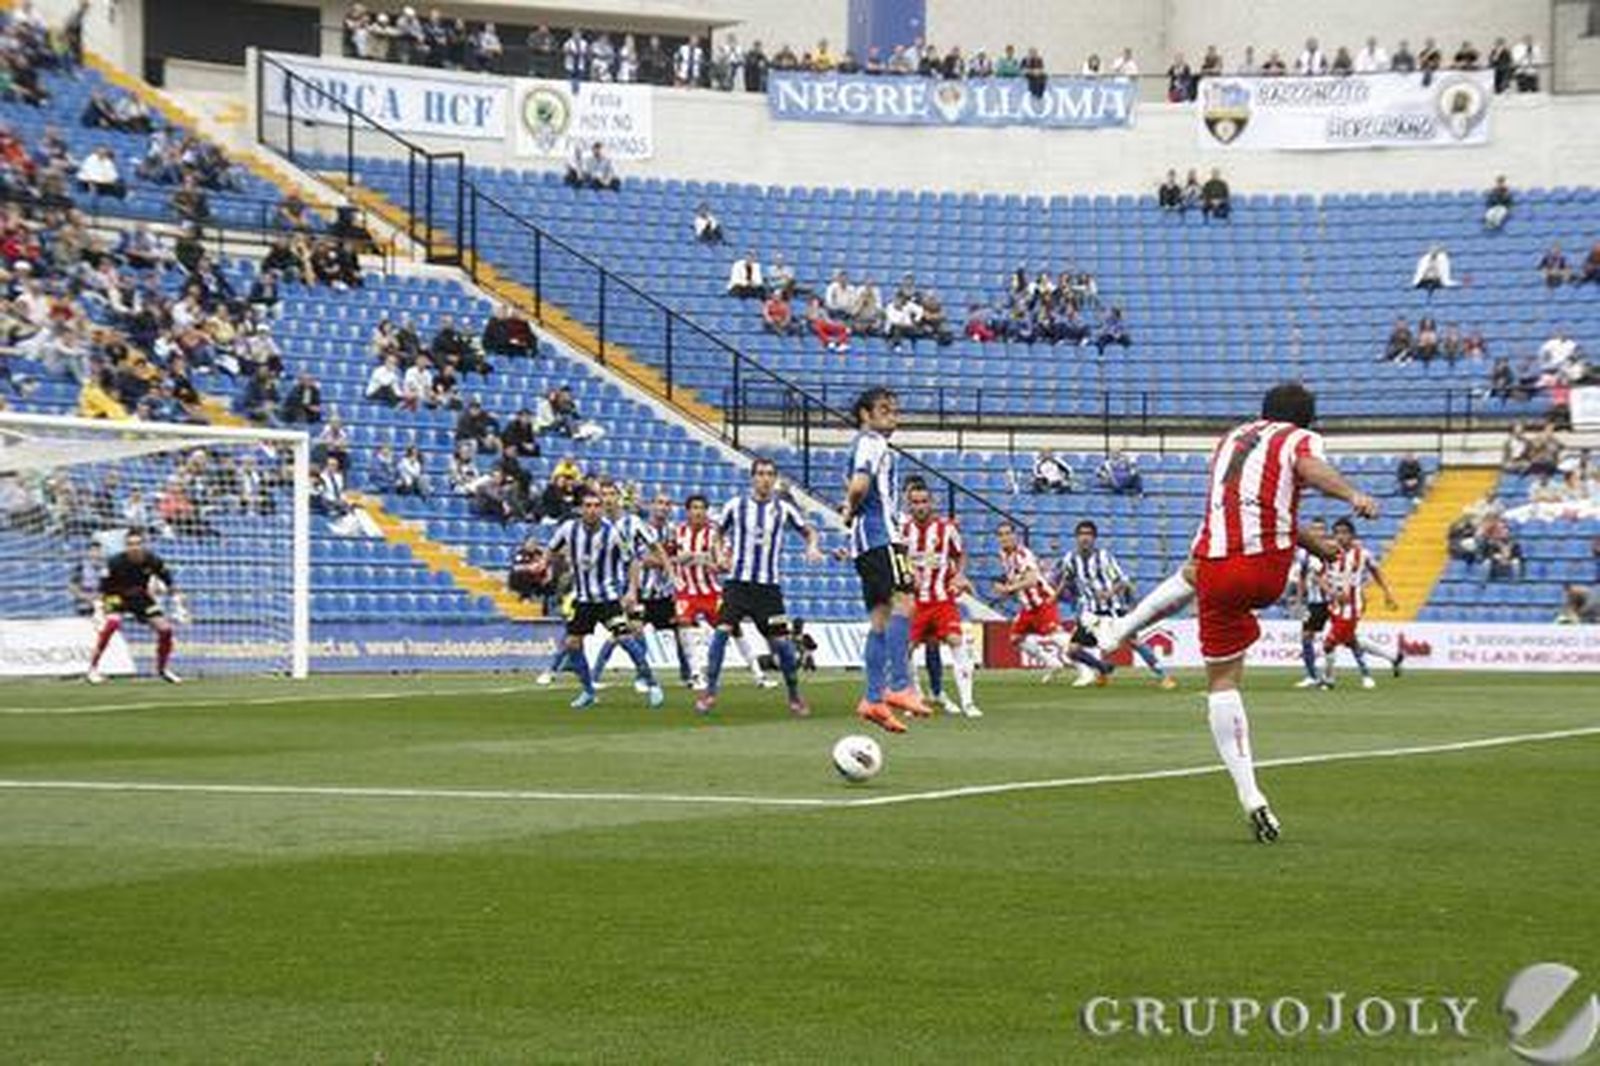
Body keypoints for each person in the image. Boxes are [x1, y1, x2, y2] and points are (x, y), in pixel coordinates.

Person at [1099, 383, 1379, 843]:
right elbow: (1308, 467)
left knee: (1221, 677)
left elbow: (1260, 505)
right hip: (1264, 569)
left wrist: (1316, 547)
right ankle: (1121, 630)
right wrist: (1352, 495)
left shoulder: (1230, 440)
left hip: (1217, 565)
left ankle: (1250, 794)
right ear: (1306, 419)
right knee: (1214, 590)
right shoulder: (1297, 438)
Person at [694, 459, 823, 717]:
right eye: (760, 474)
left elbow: (808, 531)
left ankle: (794, 695)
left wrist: (812, 547)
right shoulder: (735, 505)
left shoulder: (783, 509)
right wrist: (719, 554)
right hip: (737, 585)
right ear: (752, 477)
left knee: (782, 646)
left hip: (768, 589)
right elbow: (717, 534)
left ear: (774, 479)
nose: (765, 479)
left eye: (770, 475)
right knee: (721, 632)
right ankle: (709, 692)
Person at [841, 388, 928, 734]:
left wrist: (850, 511)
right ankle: (899, 686)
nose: (894, 416)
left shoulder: (865, 442)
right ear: (865, 414)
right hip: (881, 537)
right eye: (884, 410)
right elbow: (860, 485)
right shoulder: (872, 441)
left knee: (879, 619)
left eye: (895, 410)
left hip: (865, 542)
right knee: (904, 602)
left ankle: (873, 698)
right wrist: (850, 507)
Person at [545, 490, 663, 710]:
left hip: (607, 599)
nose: (591, 510)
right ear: (580, 509)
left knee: (625, 638)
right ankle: (588, 691)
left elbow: (633, 562)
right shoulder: (569, 529)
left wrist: (631, 591)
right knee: (572, 643)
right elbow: (551, 550)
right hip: (583, 600)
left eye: (595, 506)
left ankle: (652, 682)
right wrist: (547, 568)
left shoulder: (613, 533)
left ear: (601, 509)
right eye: (587, 506)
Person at [1058, 520, 1173, 689]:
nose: (1085, 538)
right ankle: (1103, 668)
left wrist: (1108, 593)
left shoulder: (1104, 557)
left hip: (1113, 609)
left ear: (1094, 538)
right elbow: (1067, 578)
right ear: (1076, 537)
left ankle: (1164, 675)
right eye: (1081, 534)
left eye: (1088, 534)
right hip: (1091, 613)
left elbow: (1122, 581)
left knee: (1134, 641)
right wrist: (1056, 594)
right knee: (1073, 650)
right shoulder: (1070, 559)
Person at [589, 485, 684, 690]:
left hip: (646, 590)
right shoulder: (603, 525)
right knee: (624, 633)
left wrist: (671, 572)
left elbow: (654, 551)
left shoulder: (638, 524)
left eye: (612, 494)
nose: (608, 499)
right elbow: (640, 559)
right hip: (621, 588)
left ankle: (672, 675)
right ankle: (633, 676)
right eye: (604, 495)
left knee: (629, 632)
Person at [995, 521, 1110, 687]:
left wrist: (1008, 588)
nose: (1004, 537)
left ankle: (1086, 669)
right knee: (1016, 638)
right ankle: (1052, 663)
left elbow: (1032, 579)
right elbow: (1017, 577)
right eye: (1001, 534)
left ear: (1015, 536)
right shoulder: (1004, 555)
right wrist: (1006, 585)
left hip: (1042, 601)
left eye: (1007, 533)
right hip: (1028, 606)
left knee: (1058, 637)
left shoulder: (1022, 554)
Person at [900, 482, 980, 717]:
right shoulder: (902, 531)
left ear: (931, 503)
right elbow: (896, 558)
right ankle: (915, 697)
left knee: (957, 641)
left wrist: (960, 574)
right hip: (915, 602)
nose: (920, 506)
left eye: (924, 501)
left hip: (942, 599)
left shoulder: (946, 529)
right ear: (909, 504)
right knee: (905, 649)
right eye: (915, 502)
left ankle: (968, 702)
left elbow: (960, 553)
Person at [85, 530, 187, 684]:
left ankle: (162, 669)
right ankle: (93, 669)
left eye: (138, 544)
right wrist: (99, 609)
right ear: (126, 546)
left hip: (140, 597)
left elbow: (169, 583)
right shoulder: (115, 562)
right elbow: (103, 589)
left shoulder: (153, 560)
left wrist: (179, 604)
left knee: (165, 629)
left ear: (143, 545)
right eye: (130, 544)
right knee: (112, 624)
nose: (134, 547)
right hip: (116, 596)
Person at [1318, 518, 1403, 689]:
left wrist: (1387, 593)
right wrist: (1331, 592)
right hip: (1334, 605)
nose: (1340, 537)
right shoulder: (1329, 552)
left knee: (1329, 644)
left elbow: (1376, 572)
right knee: (1351, 641)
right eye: (1337, 533)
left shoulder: (1362, 554)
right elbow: (1320, 577)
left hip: (1352, 606)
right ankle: (1394, 657)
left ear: (1352, 535)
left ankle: (1329, 680)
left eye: (1344, 533)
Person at [1290, 517, 1332, 689]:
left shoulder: (1332, 549)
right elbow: (1301, 578)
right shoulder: (1303, 554)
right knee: (1307, 636)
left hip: (1332, 601)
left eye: (1321, 529)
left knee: (1339, 639)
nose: (1318, 532)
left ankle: (1323, 676)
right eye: (1314, 529)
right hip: (1314, 603)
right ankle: (1312, 675)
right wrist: (1299, 602)